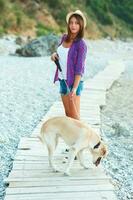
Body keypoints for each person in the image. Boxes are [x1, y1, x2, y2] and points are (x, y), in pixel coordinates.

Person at [51, 10, 87, 120]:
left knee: (75, 118)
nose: (73, 25)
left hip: (74, 83)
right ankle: (72, 137)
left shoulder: (81, 44)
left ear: (81, 26)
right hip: (63, 80)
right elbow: (60, 53)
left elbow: (79, 69)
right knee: (68, 115)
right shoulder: (64, 38)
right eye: (71, 22)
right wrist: (53, 55)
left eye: (76, 23)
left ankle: (83, 137)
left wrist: (74, 89)